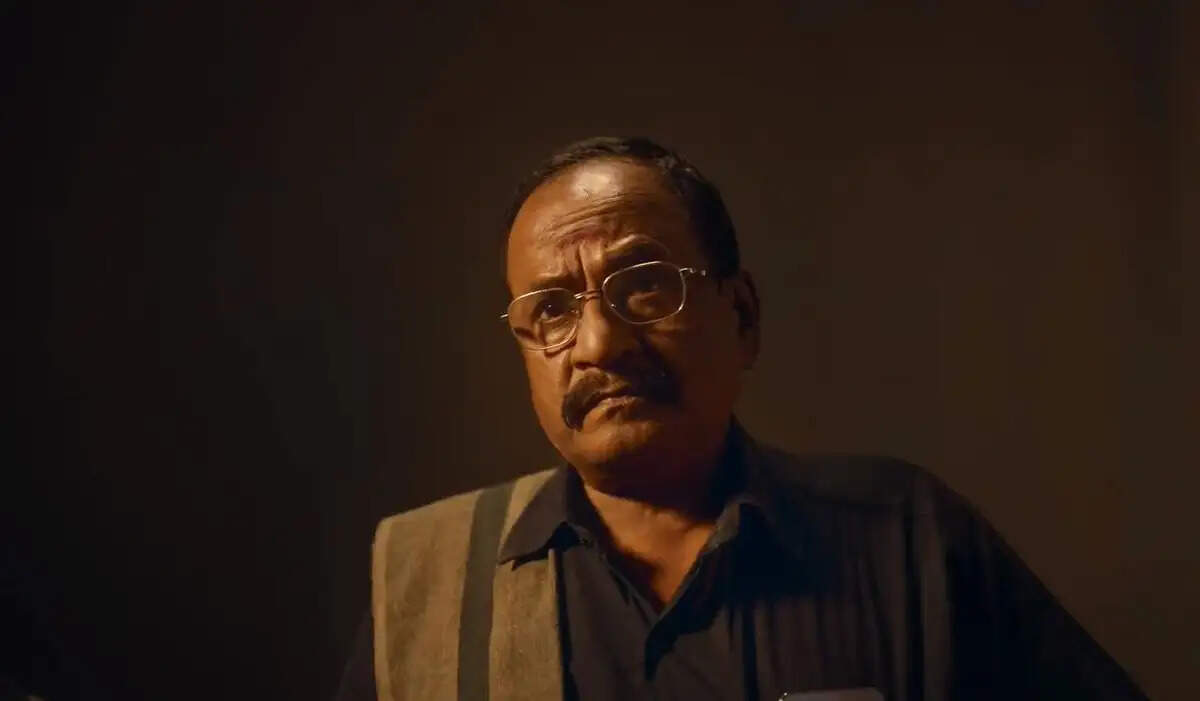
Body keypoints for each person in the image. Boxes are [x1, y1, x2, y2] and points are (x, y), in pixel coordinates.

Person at [335, 137, 1145, 700]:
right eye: (551, 309)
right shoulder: (428, 584)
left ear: (743, 316)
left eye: (645, 284)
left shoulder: (909, 540)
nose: (600, 343)